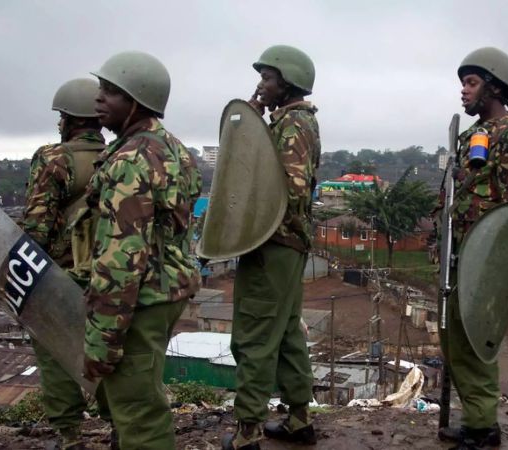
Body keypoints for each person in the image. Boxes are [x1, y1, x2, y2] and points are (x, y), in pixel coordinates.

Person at [81, 50, 202, 450]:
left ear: (136, 102)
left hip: (140, 297)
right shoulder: (173, 148)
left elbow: (122, 258)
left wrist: (103, 336)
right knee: (143, 393)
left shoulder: (130, 160)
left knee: (138, 411)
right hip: (167, 289)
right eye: (101, 89)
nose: (99, 99)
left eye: (111, 92)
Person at [438, 47, 508, 449]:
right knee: (454, 341)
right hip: (458, 255)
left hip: (486, 261)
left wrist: (504, 267)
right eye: (463, 83)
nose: (463, 92)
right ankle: (476, 421)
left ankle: (483, 428)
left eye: (472, 83)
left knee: (474, 341)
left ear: (495, 87)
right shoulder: (470, 137)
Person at [222, 44, 320, 450]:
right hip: (285, 244)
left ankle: (247, 432)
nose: (260, 84)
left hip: (273, 243)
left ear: (287, 81)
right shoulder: (291, 121)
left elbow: (291, 188)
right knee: (285, 335)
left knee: (255, 335)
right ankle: (299, 419)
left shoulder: (292, 125)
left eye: (267, 77)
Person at [22, 77, 108, 450]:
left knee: (56, 351)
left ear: (71, 119)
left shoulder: (54, 158)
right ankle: (124, 426)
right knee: (111, 353)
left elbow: (37, 225)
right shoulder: (122, 154)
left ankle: (70, 436)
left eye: (62, 116)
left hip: (61, 275)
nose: (59, 123)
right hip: (112, 275)